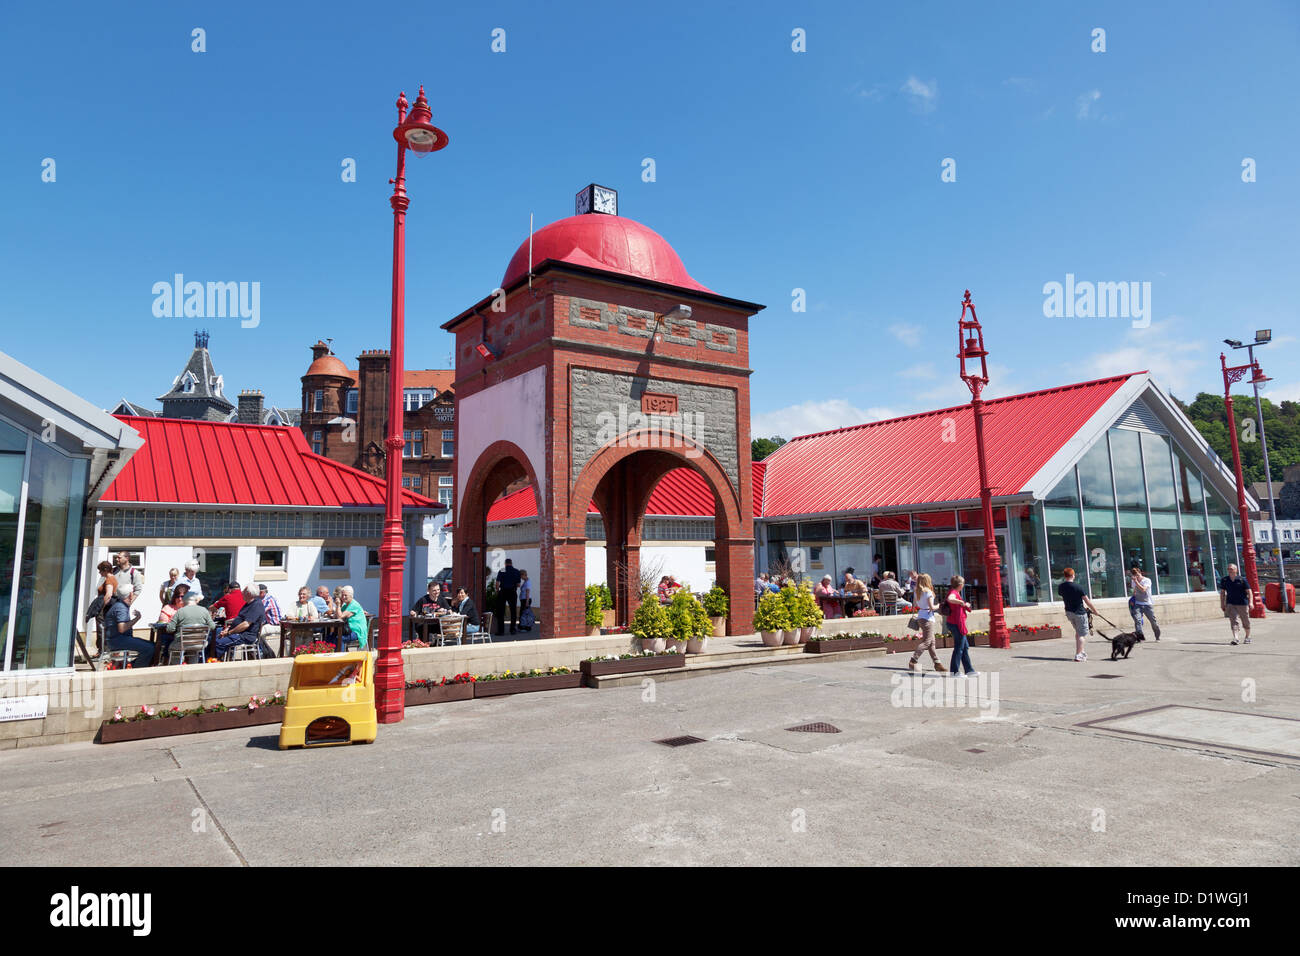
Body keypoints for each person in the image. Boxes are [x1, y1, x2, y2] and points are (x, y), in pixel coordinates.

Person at [907, 572, 946, 673]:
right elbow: (932, 608)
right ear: (927, 581)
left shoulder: (917, 591)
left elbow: (915, 604)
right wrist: (939, 605)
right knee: (927, 642)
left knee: (932, 642)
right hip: (928, 618)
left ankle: (937, 663)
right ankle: (913, 660)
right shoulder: (928, 592)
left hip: (921, 616)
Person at [1058, 567, 1100, 662]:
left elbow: (1063, 595)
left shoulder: (1061, 587)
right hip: (1079, 613)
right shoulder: (1078, 587)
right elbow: (1087, 601)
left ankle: (1081, 651)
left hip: (1069, 612)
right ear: (1073, 575)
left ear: (1065, 576)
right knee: (1081, 635)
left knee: (1078, 632)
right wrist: (1095, 611)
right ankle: (1078, 655)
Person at [215, 585, 266, 659]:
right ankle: (206, 662)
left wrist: (229, 632)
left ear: (248, 593)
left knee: (219, 643)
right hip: (237, 632)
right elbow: (239, 620)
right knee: (213, 640)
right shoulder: (248, 604)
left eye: (243, 592)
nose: (241, 594)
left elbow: (245, 624)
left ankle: (215, 663)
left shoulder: (256, 604)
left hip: (245, 636)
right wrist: (228, 629)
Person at [102, 593, 152, 667]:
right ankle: (135, 668)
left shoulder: (119, 605)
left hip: (116, 639)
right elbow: (122, 628)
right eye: (131, 594)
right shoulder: (121, 607)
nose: (132, 597)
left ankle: (129, 665)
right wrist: (137, 618)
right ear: (129, 595)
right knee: (150, 648)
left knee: (152, 645)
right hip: (117, 641)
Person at [164, 593, 216, 662]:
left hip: (182, 643)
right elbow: (213, 627)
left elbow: (169, 629)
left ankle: (176, 667)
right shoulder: (204, 610)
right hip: (199, 643)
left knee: (173, 647)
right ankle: (193, 666)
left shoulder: (180, 611)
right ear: (196, 601)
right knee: (193, 650)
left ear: (184, 601)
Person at [946, 575, 978, 678]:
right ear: (960, 585)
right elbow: (950, 599)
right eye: (963, 584)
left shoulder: (956, 592)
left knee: (964, 647)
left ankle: (969, 670)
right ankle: (954, 672)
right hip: (956, 623)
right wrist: (962, 602)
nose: (963, 585)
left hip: (956, 622)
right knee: (959, 648)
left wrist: (963, 604)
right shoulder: (953, 593)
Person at [1218, 563, 1252, 645]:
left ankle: (1247, 636)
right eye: (1228, 569)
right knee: (1233, 621)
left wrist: (1251, 602)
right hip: (1230, 603)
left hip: (1242, 603)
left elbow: (1249, 592)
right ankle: (1236, 638)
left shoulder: (1242, 580)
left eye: (1231, 569)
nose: (1230, 570)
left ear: (1236, 570)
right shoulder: (1225, 580)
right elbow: (1222, 593)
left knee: (1245, 620)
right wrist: (1222, 604)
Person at [1128, 564, 1161, 641]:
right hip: (1138, 604)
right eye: (1135, 575)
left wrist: (1136, 582)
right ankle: (1140, 637)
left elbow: (1143, 589)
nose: (1136, 577)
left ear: (1140, 573)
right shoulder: (1134, 581)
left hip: (1147, 604)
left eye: (1137, 575)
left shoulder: (1147, 580)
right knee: (1137, 620)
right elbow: (1135, 591)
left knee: (1153, 622)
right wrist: (1132, 600)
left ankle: (1157, 636)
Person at [495, 558, 522, 635]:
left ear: (505, 563)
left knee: (501, 611)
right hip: (512, 592)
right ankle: (512, 630)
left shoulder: (502, 570)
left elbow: (497, 583)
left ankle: (501, 631)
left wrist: (497, 591)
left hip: (503, 591)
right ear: (511, 563)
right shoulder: (516, 571)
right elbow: (518, 585)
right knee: (513, 611)